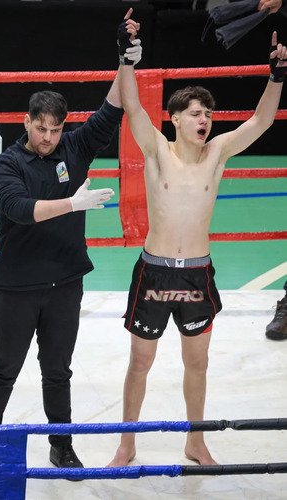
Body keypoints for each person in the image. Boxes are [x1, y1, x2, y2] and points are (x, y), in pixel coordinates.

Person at [0, 10, 142, 472]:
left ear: (64, 126)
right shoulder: (6, 165)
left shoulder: (74, 148)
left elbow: (112, 110)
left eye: (55, 129)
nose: (47, 137)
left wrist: (125, 60)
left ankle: (61, 444)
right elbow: (20, 210)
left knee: (58, 371)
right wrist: (73, 203)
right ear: (26, 122)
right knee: (5, 368)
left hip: (64, 281)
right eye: (40, 128)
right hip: (17, 285)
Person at [107, 29, 286, 467]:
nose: (204, 120)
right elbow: (132, 105)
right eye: (195, 113)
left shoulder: (217, 153)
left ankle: (196, 441)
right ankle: (127, 444)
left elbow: (261, 122)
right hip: (154, 272)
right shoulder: (156, 150)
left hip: (197, 274)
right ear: (174, 119)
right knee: (140, 362)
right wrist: (126, 60)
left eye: (208, 113)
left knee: (198, 363)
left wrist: (276, 77)